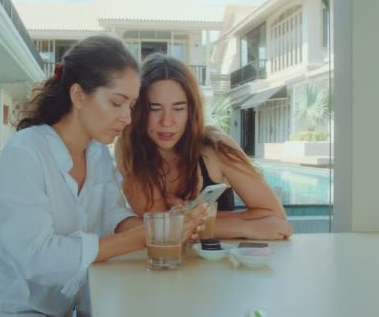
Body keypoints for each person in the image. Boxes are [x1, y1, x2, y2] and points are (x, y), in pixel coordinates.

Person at [0, 36, 207, 317]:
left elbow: (112, 216)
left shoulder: (96, 154)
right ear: (78, 95)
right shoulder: (26, 153)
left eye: (131, 106)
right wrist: (146, 236)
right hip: (12, 309)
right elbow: (38, 258)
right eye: (117, 103)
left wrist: (169, 228)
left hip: (65, 308)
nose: (128, 118)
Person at [116, 53, 293, 241]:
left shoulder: (216, 147)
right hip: (163, 265)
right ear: (139, 110)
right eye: (155, 108)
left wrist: (189, 216)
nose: (167, 121)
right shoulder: (130, 149)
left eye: (178, 108)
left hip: (221, 266)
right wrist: (246, 227)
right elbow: (163, 229)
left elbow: (276, 219)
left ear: (191, 111)